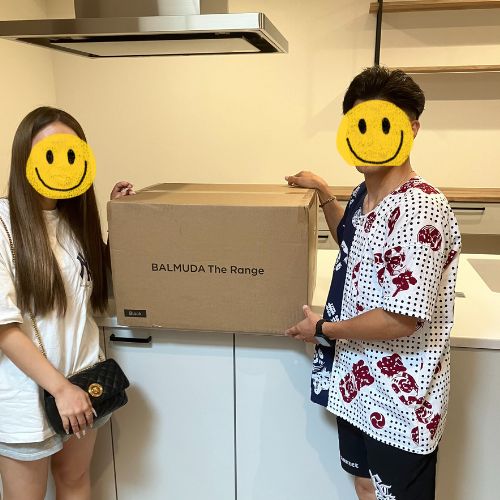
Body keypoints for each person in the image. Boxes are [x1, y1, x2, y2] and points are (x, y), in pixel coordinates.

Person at [285, 66, 461, 500]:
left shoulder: (420, 209)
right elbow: (351, 237)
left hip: (402, 403)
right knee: (365, 486)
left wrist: (322, 329)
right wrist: (325, 192)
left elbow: (402, 319)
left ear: (411, 129)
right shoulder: (364, 195)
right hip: (358, 385)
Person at [0, 106, 134, 500]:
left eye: (71, 153)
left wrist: (118, 218)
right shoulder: (3, 223)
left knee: (75, 482)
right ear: (25, 158)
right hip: (29, 396)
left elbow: (96, 286)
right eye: (50, 153)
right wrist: (60, 390)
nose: (61, 164)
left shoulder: (73, 218)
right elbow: (4, 328)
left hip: (83, 382)